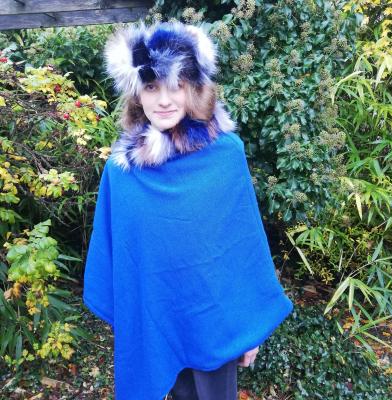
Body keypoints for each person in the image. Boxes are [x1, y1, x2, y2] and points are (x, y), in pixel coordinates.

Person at [83, 21, 293, 400]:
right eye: (151, 87)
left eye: (176, 85)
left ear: (194, 89)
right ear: (137, 94)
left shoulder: (225, 156)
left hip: (214, 323)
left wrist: (247, 328)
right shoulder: (122, 172)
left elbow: (242, 247)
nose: (164, 100)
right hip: (155, 320)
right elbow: (119, 252)